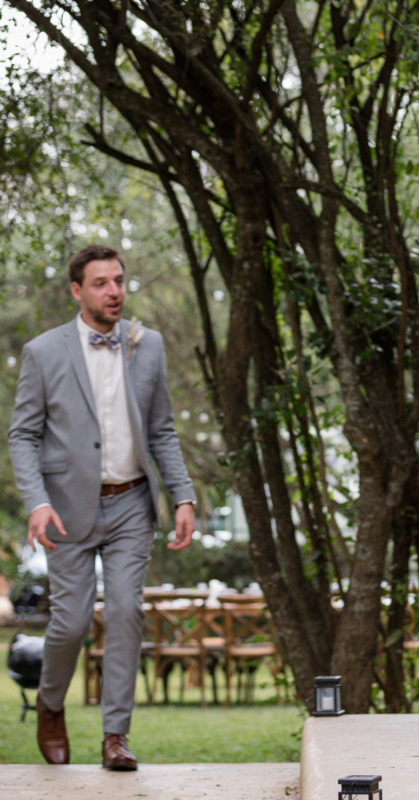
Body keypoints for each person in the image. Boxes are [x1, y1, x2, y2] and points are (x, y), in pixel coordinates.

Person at [8, 245, 197, 770]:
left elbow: (161, 429)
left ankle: (116, 736)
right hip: (67, 510)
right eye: (100, 283)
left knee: (125, 612)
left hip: (131, 502)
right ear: (77, 291)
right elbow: (23, 435)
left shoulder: (148, 346)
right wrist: (38, 503)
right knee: (69, 625)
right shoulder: (44, 353)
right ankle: (50, 706)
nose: (114, 291)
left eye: (118, 281)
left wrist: (182, 494)